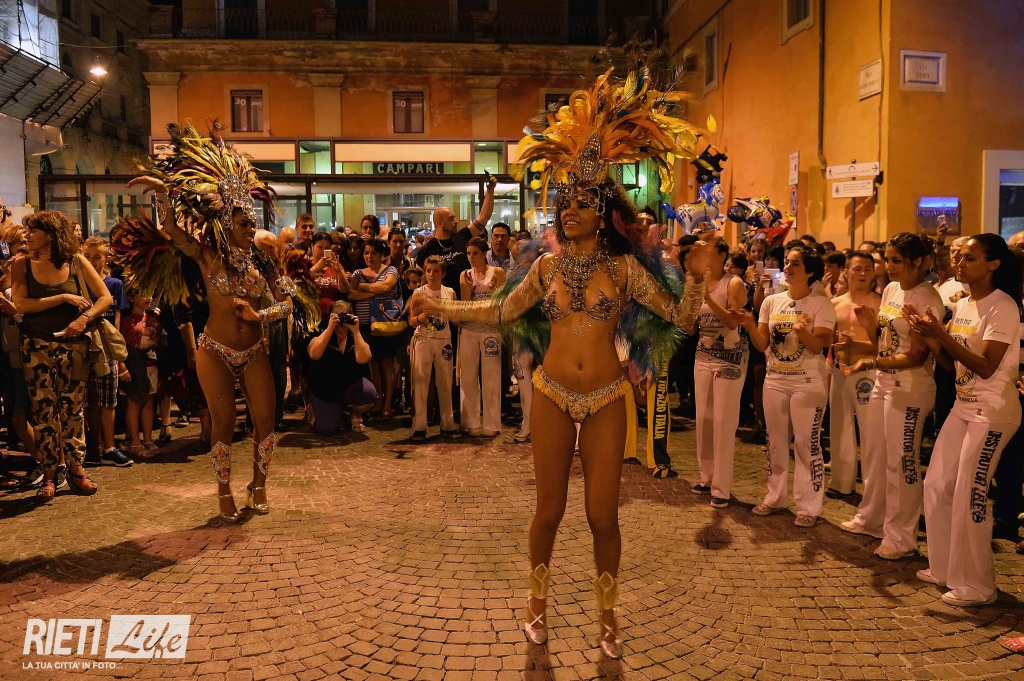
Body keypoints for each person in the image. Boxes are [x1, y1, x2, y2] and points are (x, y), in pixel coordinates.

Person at [410, 61, 711, 658]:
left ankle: (608, 615)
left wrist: (698, 280)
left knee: (603, 516)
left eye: (580, 203)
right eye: (563, 203)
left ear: (605, 214)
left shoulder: (624, 270)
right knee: (548, 511)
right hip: (550, 393)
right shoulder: (545, 267)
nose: (567, 210)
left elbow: (679, 319)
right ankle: (536, 604)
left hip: (606, 398)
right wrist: (440, 305)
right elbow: (500, 309)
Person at [124, 122, 295, 520]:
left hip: (253, 351)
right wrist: (164, 194)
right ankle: (223, 490)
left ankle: (259, 485)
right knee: (223, 423)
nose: (251, 228)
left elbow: (288, 304)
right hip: (214, 350)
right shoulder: (208, 257)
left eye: (253, 222)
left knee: (265, 422)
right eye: (243, 223)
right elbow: (171, 230)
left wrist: (260, 313)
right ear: (225, 224)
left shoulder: (264, 263)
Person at [906, 234, 1022, 606]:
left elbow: (986, 367)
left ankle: (979, 586)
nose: (959, 263)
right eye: (960, 258)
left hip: (992, 412)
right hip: (963, 406)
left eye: (970, 258)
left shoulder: (1002, 306)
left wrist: (940, 333)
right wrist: (930, 337)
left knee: (971, 494)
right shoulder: (964, 304)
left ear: (993, 265)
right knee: (937, 484)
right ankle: (944, 568)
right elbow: (951, 364)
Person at [839, 234, 944, 560]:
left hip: (910, 388)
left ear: (918, 261)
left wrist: (871, 362)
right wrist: (868, 332)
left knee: (902, 463)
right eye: (887, 260)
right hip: (884, 383)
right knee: (876, 455)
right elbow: (885, 342)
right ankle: (871, 518)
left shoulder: (927, 298)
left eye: (896, 260)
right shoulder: (892, 289)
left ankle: (901, 538)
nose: (888, 266)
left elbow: (917, 355)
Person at [10, 211, 112, 499]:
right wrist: (63, 297)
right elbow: (21, 304)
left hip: (74, 347)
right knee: (43, 412)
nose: (28, 235)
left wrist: (84, 319)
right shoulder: (22, 264)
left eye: (34, 230)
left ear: (52, 234)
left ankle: (77, 471)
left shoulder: (76, 261)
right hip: (36, 346)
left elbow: (105, 297)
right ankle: (50, 474)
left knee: (73, 410)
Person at [735, 246, 835, 527]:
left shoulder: (821, 304)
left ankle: (808, 507)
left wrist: (803, 332)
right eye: (787, 262)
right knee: (775, 443)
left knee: (806, 445)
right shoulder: (772, 301)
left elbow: (820, 345)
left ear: (810, 271)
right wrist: (749, 324)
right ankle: (775, 497)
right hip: (775, 380)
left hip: (808, 383)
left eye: (796, 264)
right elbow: (762, 344)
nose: (788, 268)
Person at [687, 240, 748, 505]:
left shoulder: (733, 283)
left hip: (729, 360)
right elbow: (691, 327)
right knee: (704, 419)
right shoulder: (698, 283)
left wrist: (708, 299)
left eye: (706, 249)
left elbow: (733, 321)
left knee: (723, 422)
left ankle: (721, 488)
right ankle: (706, 477)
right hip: (703, 356)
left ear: (722, 255)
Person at [826, 251, 880, 498]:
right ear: (846, 272)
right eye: (857, 268)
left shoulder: (879, 304)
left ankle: (872, 487)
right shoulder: (835, 303)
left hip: (868, 372)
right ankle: (841, 482)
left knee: (870, 431)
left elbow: (884, 345)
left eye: (868, 268)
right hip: (840, 370)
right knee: (839, 427)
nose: (863, 273)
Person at [80, 236, 132, 467]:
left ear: (107, 258)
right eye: (87, 256)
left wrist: (119, 357)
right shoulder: (77, 282)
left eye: (97, 257)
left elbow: (117, 322)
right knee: (84, 400)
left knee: (108, 400)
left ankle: (109, 447)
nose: (92, 261)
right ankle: (90, 447)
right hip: (82, 346)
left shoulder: (114, 285)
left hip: (106, 347)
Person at [408, 256, 461, 440]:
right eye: (429, 271)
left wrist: (451, 312)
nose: (432, 275)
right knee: (421, 383)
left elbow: (455, 320)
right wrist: (421, 317)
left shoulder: (450, 293)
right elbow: (412, 321)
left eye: (436, 271)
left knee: (445, 382)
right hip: (423, 339)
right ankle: (419, 426)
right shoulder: (419, 293)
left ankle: (448, 424)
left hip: (444, 340)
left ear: (443, 273)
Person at [347, 238, 401, 419]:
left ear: (382, 255)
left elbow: (386, 286)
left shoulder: (390, 270)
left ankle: (387, 405)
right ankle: (378, 402)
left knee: (387, 364)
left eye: (374, 253)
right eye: (366, 253)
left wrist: (363, 288)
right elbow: (350, 295)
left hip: (384, 323)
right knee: (374, 365)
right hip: (364, 325)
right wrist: (374, 293)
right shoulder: (358, 272)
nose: (369, 257)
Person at [305, 300, 376, 435]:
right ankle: (312, 408)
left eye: (344, 316)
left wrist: (356, 332)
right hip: (324, 389)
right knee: (328, 429)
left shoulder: (357, 336)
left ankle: (353, 414)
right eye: (336, 316)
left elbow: (363, 359)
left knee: (369, 393)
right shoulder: (321, 332)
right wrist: (330, 329)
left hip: (348, 386)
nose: (341, 321)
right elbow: (314, 354)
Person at [416, 176, 497, 294]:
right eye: (451, 218)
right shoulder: (427, 249)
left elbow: (483, 217)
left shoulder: (462, 236)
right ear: (440, 223)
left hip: (468, 297)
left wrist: (490, 191)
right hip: (443, 300)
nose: (456, 221)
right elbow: (420, 280)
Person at [459, 237, 506, 436]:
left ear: (484, 253)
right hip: (470, 329)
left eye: (475, 253)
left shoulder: (497, 272)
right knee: (468, 377)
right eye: (468, 254)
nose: (471, 257)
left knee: (491, 377)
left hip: (490, 330)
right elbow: (465, 307)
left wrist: (495, 291)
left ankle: (492, 425)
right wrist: (468, 289)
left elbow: (503, 303)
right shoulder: (465, 275)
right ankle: (470, 422)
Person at [120, 288, 162, 457]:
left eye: (150, 294)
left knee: (149, 402)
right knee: (134, 403)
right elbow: (122, 343)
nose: (148, 297)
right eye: (143, 294)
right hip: (134, 365)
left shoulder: (152, 318)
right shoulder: (126, 321)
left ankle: (148, 439)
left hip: (150, 364)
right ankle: (135, 441)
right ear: (132, 297)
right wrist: (123, 366)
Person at [308, 231, 348, 319]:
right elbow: (297, 284)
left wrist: (338, 272)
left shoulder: (335, 265)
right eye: (320, 247)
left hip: (333, 316)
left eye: (327, 248)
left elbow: (345, 289)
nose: (323, 251)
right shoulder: (305, 264)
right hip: (312, 317)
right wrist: (316, 267)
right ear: (312, 246)